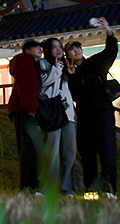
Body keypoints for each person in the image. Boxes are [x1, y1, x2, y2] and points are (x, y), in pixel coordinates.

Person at [65, 17, 119, 198]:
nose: (76, 50)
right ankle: (91, 188)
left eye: (78, 47)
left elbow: (111, 51)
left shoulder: (94, 63)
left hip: (103, 112)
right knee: (87, 152)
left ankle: (110, 190)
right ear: (68, 55)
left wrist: (108, 30)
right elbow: (74, 96)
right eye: (72, 49)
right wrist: (71, 77)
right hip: (84, 115)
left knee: (107, 150)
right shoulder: (70, 73)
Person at [39, 37, 76, 195]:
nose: (58, 50)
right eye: (54, 47)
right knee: (51, 151)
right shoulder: (43, 64)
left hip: (67, 114)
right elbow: (42, 83)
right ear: (47, 50)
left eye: (60, 47)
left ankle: (67, 187)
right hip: (52, 112)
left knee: (70, 151)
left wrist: (70, 73)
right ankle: (49, 186)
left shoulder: (64, 65)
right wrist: (56, 68)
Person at [8, 40, 43, 193]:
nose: (40, 50)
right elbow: (26, 85)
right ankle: (29, 185)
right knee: (29, 147)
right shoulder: (25, 60)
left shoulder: (29, 62)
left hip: (22, 109)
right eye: (37, 47)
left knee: (29, 147)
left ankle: (30, 184)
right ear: (27, 49)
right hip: (24, 110)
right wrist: (31, 108)